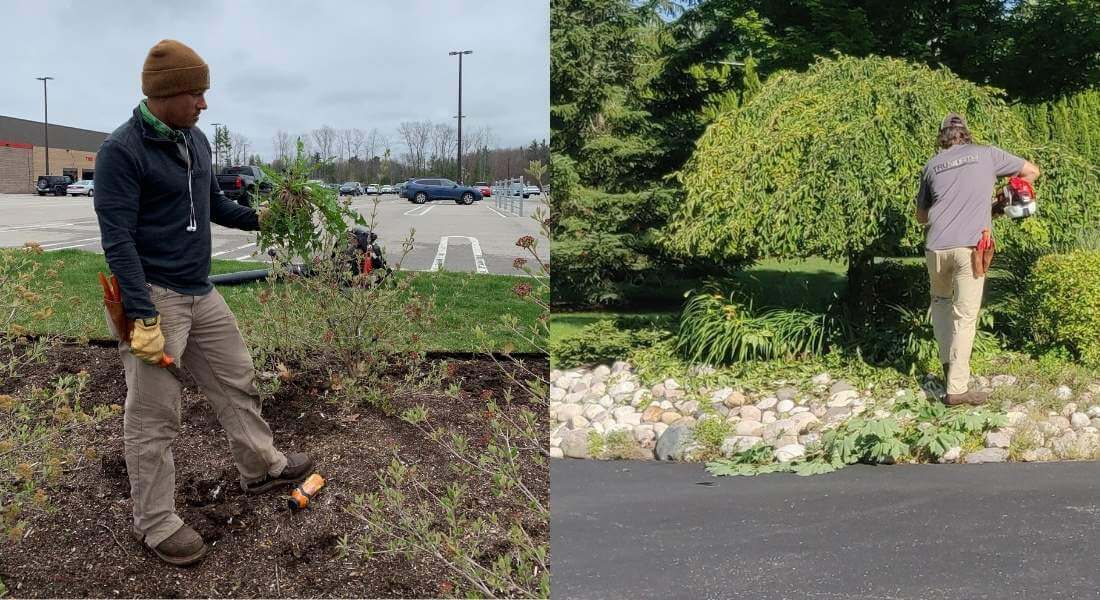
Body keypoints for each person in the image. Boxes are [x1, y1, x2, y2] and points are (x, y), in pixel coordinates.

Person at [93, 39, 312, 566]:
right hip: (156, 297)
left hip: (200, 289)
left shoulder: (196, 140)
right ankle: (156, 522)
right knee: (154, 416)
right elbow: (117, 239)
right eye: (196, 92)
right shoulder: (121, 152)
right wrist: (142, 315)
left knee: (237, 377)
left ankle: (260, 465)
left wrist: (262, 218)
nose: (204, 103)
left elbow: (212, 203)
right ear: (164, 94)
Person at [915, 113, 1040, 406]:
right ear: (965, 133)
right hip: (970, 247)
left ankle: (948, 367)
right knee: (965, 316)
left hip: (936, 248)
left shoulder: (931, 165)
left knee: (942, 305)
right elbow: (1031, 172)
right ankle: (956, 389)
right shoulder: (988, 154)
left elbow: (921, 217)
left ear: (942, 136)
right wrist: (1003, 198)